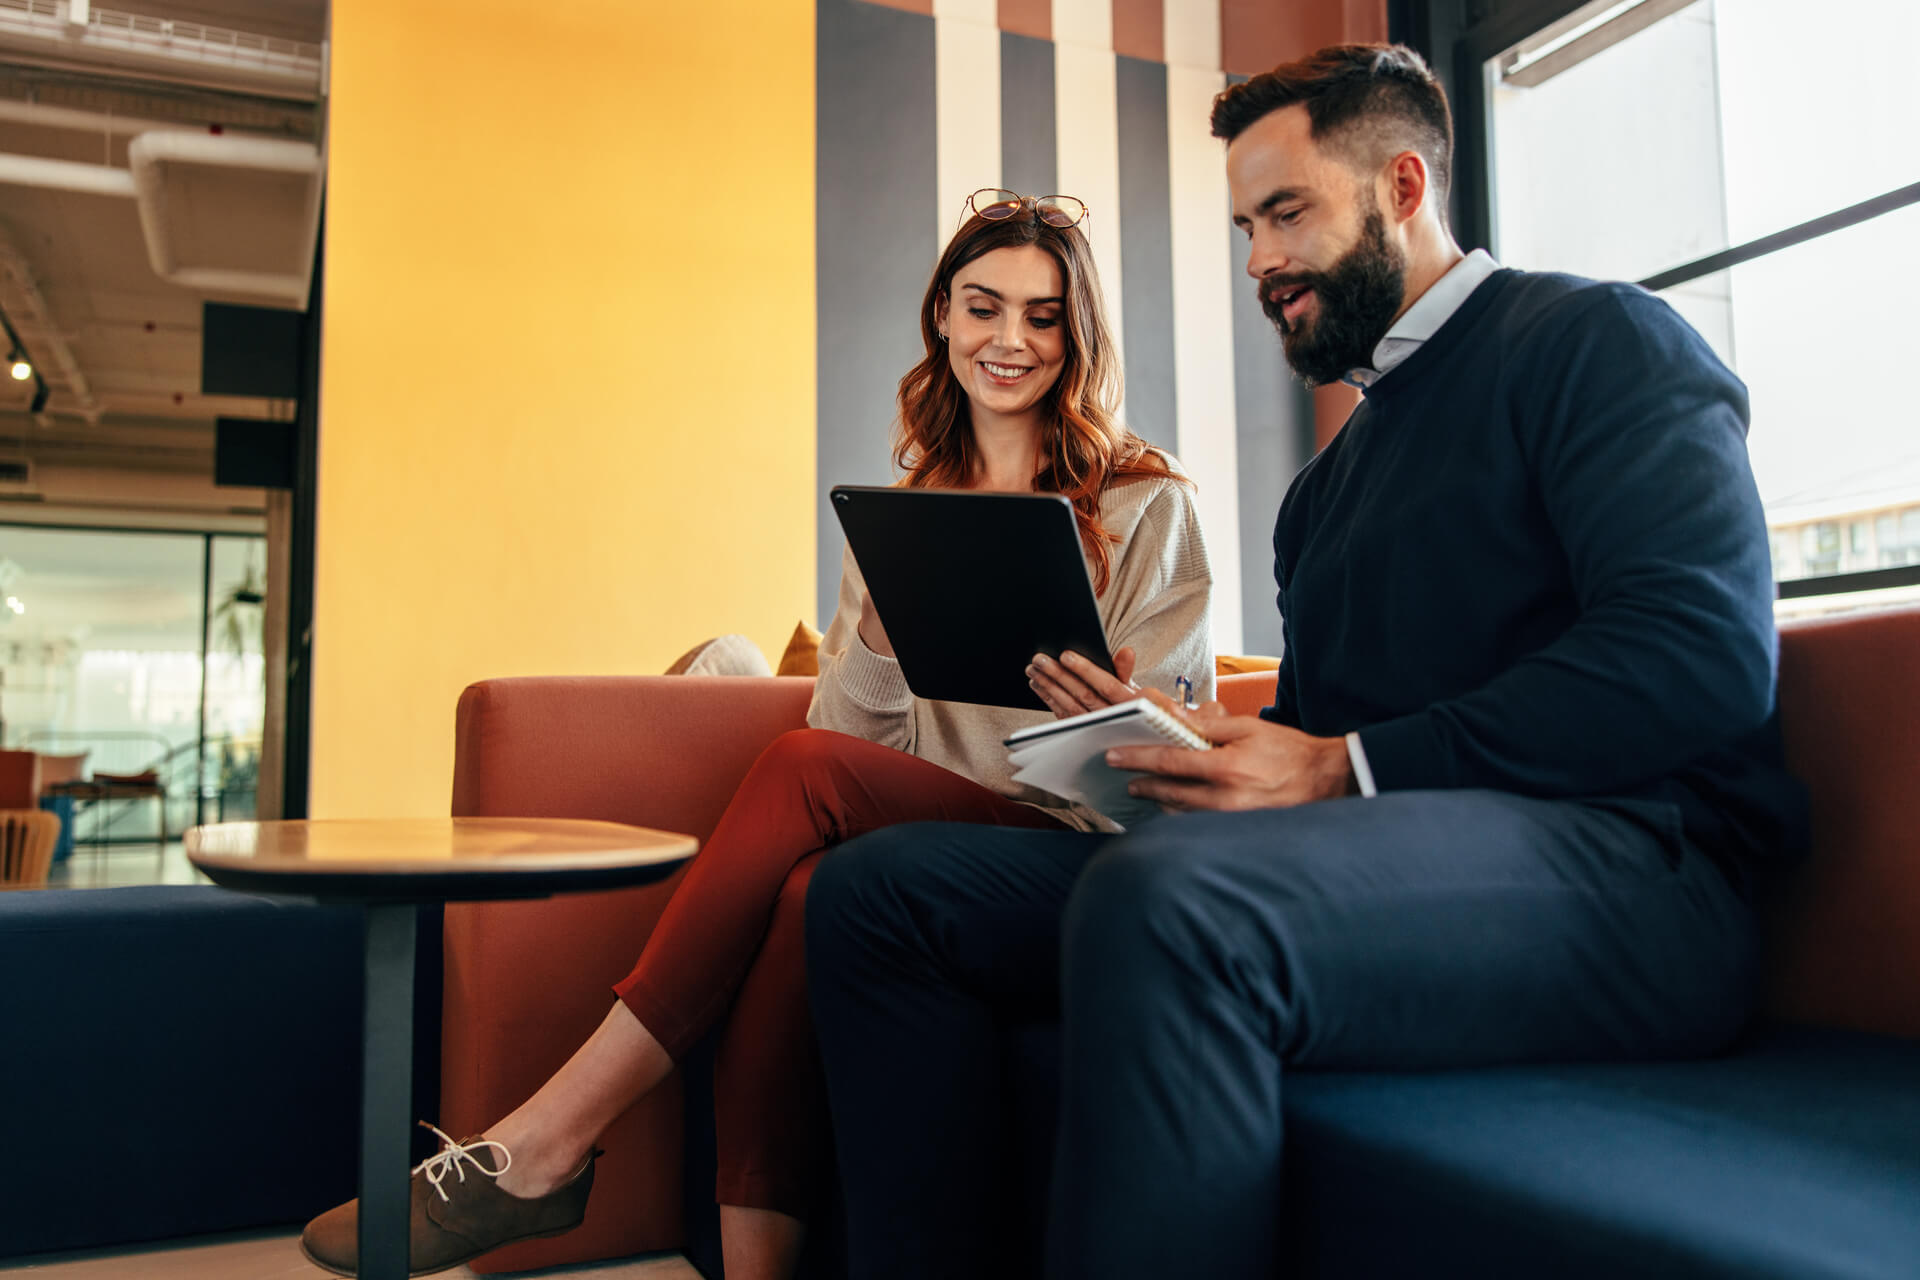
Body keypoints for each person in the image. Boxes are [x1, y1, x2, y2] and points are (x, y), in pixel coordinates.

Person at [805, 44, 1809, 1280]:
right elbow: (1310, 741)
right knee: (882, 896)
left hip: (1640, 877)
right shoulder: (1325, 492)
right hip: (1392, 862)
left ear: (1400, 186)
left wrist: (1347, 766)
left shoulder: (1595, 341)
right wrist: (1159, 742)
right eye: (1243, 224)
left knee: (1171, 903)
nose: (1257, 261)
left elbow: (1700, 654)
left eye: (1287, 212)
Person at [298, 190, 1215, 1280]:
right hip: (936, 834)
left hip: (1074, 840)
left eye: (1044, 314)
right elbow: (853, 730)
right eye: (983, 306)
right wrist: (875, 627)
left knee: (797, 767)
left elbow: (1168, 774)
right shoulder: (908, 505)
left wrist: (1102, 712)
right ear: (944, 318)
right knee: (795, 896)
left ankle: (545, 1141)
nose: (1009, 339)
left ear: (1078, 337)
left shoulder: (1147, 503)